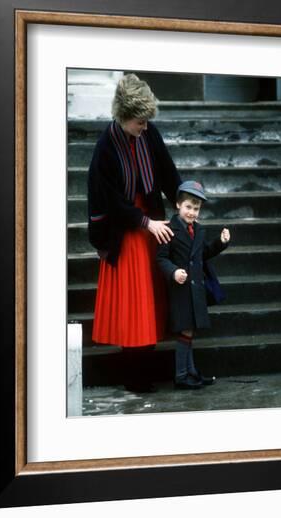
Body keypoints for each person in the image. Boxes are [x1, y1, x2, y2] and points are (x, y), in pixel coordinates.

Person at [87, 74, 182, 392]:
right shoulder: (105, 148)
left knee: (151, 301)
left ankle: (146, 368)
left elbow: (167, 172)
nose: (145, 128)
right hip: (125, 230)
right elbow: (111, 201)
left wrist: (183, 203)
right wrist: (146, 223)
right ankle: (134, 375)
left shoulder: (148, 133)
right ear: (124, 116)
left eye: (146, 122)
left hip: (149, 221)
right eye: (140, 122)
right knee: (132, 305)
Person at [156, 181, 231, 389]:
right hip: (180, 288)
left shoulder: (198, 230)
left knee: (190, 331)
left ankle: (192, 373)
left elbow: (203, 253)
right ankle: (181, 376)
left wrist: (221, 242)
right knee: (185, 330)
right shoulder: (169, 230)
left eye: (196, 208)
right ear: (178, 205)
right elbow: (161, 258)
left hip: (195, 288)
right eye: (188, 207)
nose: (192, 212)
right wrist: (173, 271)